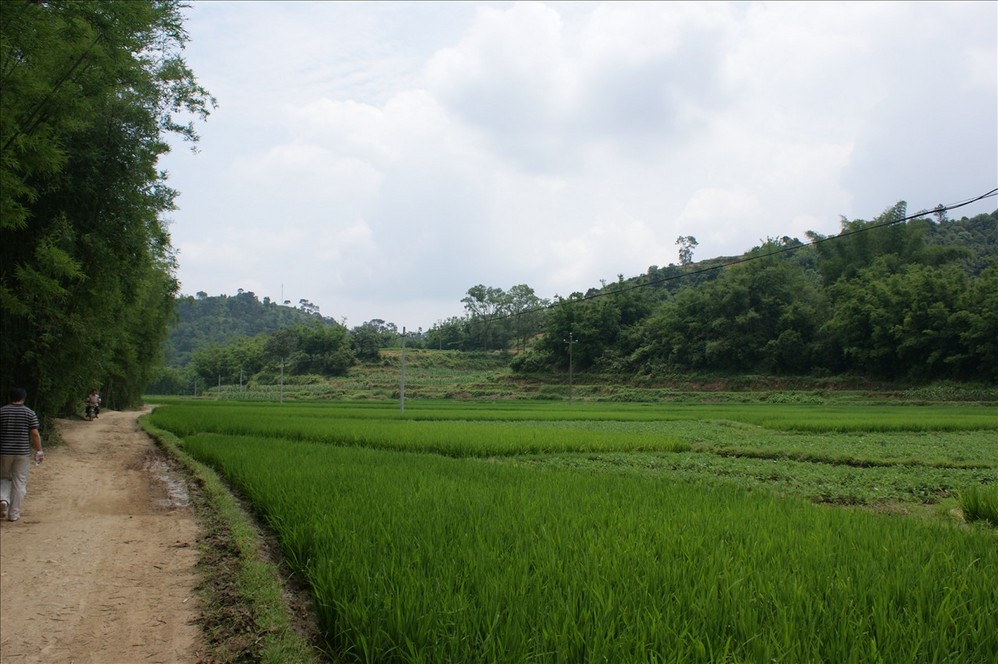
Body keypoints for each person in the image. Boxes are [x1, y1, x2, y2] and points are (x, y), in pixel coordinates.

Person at [0, 387, 44, 522]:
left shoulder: (1, 411)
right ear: (24, 398)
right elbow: (35, 434)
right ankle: (14, 514)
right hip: (22, 452)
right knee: (19, 482)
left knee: (4, 477)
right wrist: (39, 450)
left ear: (9, 398)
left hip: (3, 452)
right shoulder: (29, 413)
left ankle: (3, 499)